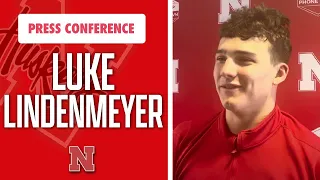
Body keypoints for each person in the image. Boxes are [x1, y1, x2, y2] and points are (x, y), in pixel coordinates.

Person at [173, 4, 320, 180]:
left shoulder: (312, 158)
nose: (226, 70)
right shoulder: (182, 140)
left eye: (244, 60)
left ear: (279, 73)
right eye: (221, 58)